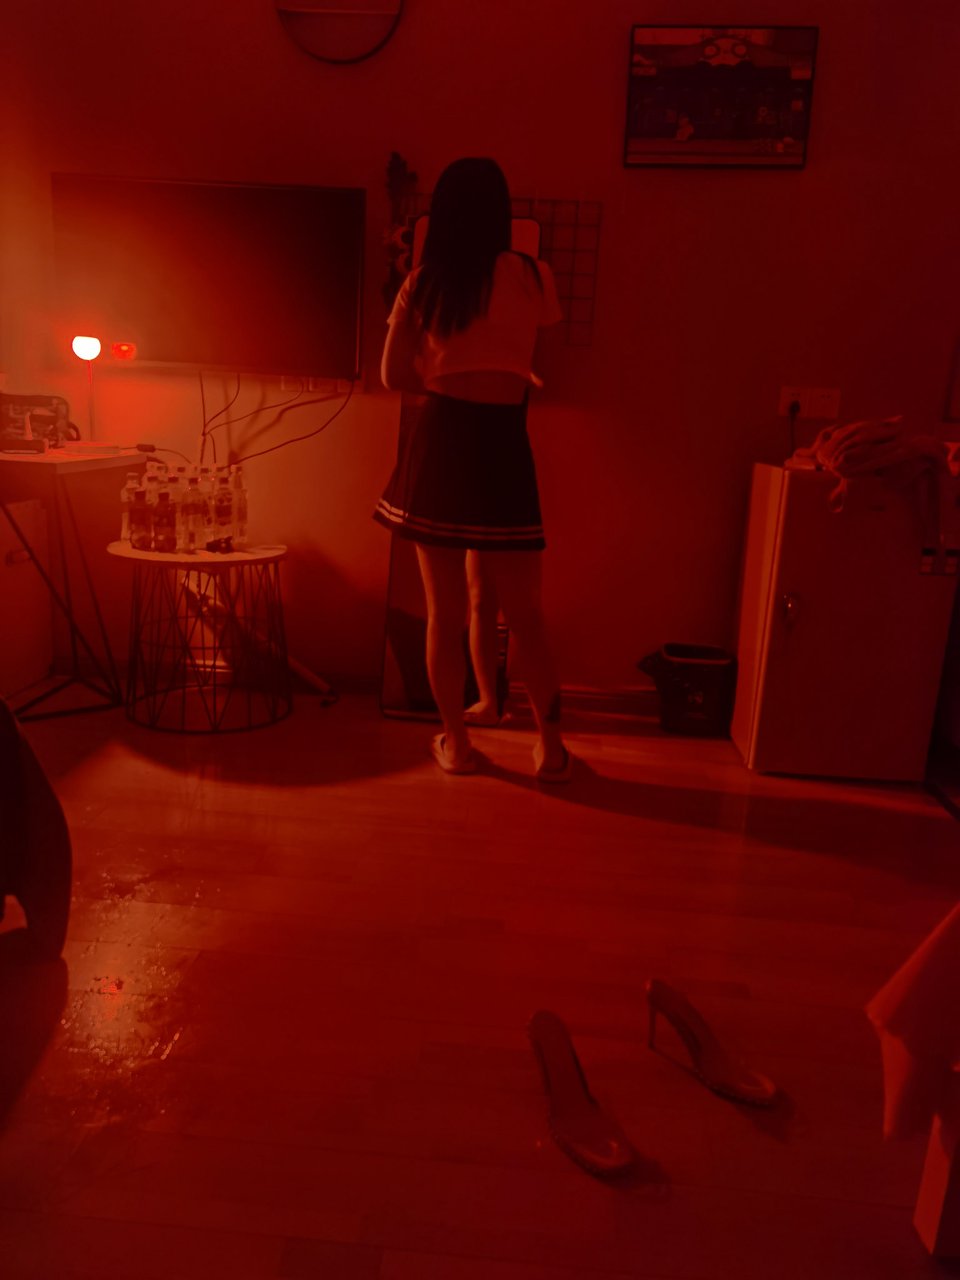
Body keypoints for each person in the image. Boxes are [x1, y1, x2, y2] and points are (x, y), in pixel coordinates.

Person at [374, 156, 571, 780]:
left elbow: (391, 375)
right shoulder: (534, 276)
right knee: (527, 614)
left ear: (444, 216)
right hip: (502, 441)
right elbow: (552, 372)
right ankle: (552, 750)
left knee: (445, 612)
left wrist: (443, 379)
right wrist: (503, 375)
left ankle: (457, 744)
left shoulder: (423, 281)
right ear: (500, 214)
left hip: (440, 441)